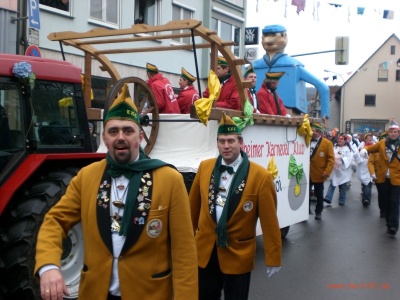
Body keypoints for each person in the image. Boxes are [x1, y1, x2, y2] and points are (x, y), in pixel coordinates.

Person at [34, 86, 198, 299]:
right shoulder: (87, 177)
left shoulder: (169, 179)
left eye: (127, 131)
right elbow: (55, 221)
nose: (121, 137)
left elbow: (184, 253)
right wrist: (48, 265)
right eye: (113, 131)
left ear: (140, 136)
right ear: (105, 138)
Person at [189, 113, 282, 300]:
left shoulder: (260, 176)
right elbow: (191, 211)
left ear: (241, 142)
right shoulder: (204, 168)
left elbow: (270, 221)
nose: (226, 146)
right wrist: (185, 245)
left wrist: (273, 257)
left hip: (238, 254)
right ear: (217, 143)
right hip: (206, 252)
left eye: (230, 141)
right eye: (221, 141)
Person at [362, 119, 400, 236]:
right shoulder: (382, 143)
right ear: (388, 133)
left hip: (397, 178)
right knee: (386, 202)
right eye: (391, 131)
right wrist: (364, 149)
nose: (393, 133)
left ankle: (393, 226)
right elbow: (371, 148)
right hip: (384, 177)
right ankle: (389, 223)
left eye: (396, 132)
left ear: (398, 133)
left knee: (395, 202)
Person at [309, 122, 334, 220]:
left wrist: (327, 172)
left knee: (319, 194)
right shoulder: (308, 140)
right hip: (307, 173)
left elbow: (331, 159)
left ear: (318, 132)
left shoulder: (327, 143)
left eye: (313, 130)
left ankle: (318, 211)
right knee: (305, 194)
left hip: (319, 174)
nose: (311, 132)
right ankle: (304, 211)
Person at [323, 133, 355, 206]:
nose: (339, 140)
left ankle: (342, 200)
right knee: (332, 184)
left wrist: (342, 160)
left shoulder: (348, 149)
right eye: (339, 139)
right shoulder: (334, 147)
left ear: (345, 140)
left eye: (341, 139)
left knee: (342, 186)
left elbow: (350, 158)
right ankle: (328, 198)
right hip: (335, 170)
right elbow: (331, 155)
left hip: (343, 170)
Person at [368, 131, 387, 218]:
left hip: (390, 176)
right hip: (379, 176)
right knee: (382, 194)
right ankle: (383, 210)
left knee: (392, 195)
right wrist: (372, 173)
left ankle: (390, 210)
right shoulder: (375, 151)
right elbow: (370, 163)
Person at [356, 133, 374, 206]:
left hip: (371, 165)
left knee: (368, 182)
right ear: (365, 139)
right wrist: (360, 151)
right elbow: (357, 154)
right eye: (368, 137)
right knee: (365, 182)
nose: (370, 138)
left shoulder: (375, 145)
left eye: (371, 137)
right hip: (363, 166)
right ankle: (366, 196)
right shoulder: (362, 145)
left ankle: (366, 199)